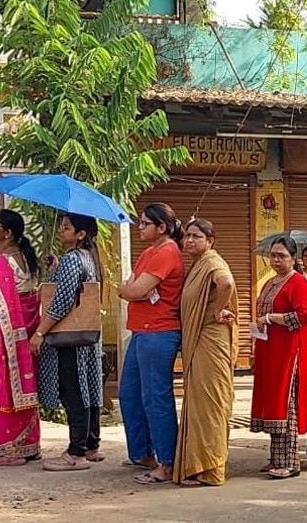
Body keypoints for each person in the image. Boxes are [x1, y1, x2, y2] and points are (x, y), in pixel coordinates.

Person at [31, 213, 104, 471]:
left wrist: (40, 332)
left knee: (73, 389)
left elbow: (61, 302)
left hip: (68, 338)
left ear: (80, 234)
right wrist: (55, 270)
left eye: (66, 227)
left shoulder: (74, 260)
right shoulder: (89, 257)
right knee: (88, 387)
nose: (61, 231)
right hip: (86, 335)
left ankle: (76, 452)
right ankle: (91, 444)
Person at [119, 203, 185, 483]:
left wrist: (133, 292)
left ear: (162, 227)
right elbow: (130, 288)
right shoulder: (148, 252)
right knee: (130, 393)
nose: (140, 227)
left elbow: (133, 288)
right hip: (140, 331)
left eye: (145, 223)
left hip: (159, 332)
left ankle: (167, 461)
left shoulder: (168, 252)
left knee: (155, 397)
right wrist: (133, 292)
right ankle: (143, 452)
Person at [172, 219, 237, 487]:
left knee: (209, 405)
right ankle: (200, 465)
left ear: (210, 240)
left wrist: (218, 310)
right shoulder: (199, 264)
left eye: (197, 237)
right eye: (187, 236)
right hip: (200, 342)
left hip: (212, 340)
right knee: (200, 404)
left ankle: (210, 468)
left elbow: (227, 283)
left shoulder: (212, 262)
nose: (189, 241)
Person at [0, 213, 42, 466]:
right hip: (24, 335)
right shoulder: (27, 259)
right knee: (24, 387)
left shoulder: (2, 265)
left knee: (0, 389)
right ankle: (28, 444)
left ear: (8, 234)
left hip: (3, 339)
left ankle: (7, 449)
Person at [250, 236, 307, 480]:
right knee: (273, 402)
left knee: (286, 404)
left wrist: (271, 319)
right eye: (274, 255)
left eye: (282, 256)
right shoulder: (269, 283)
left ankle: (290, 461)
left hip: (290, 352)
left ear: (293, 259)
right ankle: (276, 458)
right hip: (270, 350)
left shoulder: (298, 283)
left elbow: (304, 316)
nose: (276, 260)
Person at [0, 209, 41, 337]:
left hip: (10, 327)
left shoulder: (3, 262)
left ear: (8, 233)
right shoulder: (26, 256)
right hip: (28, 323)